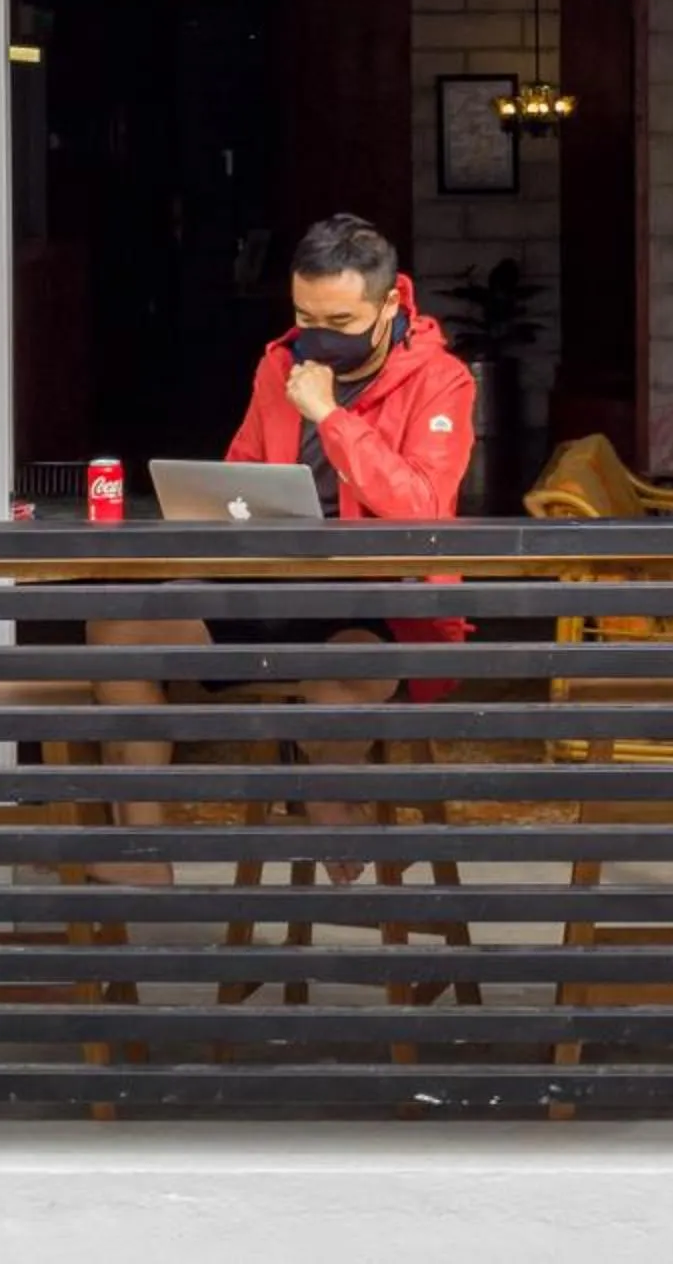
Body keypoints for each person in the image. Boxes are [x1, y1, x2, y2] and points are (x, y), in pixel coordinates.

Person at [87, 214, 474, 882]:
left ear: (389, 307)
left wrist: (331, 417)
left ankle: (331, 809)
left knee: (339, 675)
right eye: (305, 316)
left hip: (382, 600)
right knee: (118, 625)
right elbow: (240, 472)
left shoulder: (441, 380)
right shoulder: (279, 366)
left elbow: (423, 510)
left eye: (341, 321)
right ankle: (143, 854)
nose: (319, 338)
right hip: (274, 579)